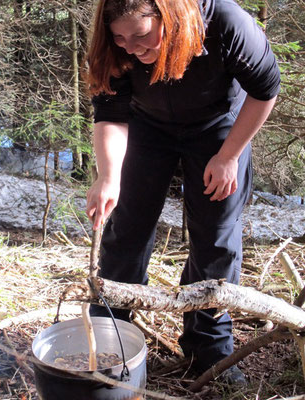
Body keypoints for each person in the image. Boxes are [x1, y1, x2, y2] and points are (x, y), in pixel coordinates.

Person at [84, 0, 280, 384]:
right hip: (146, 124)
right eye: (120, 38)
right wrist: (109, 176)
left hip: (219, 125)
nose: (131, 48)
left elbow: (265, 89)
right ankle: (110, 335)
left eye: (141, 36)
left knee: (216, 235)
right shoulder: (115, 47)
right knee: (128, 225)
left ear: (168, 15)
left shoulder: (225, 22)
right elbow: (110, 111)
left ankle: (208, 349)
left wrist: (228, 157)